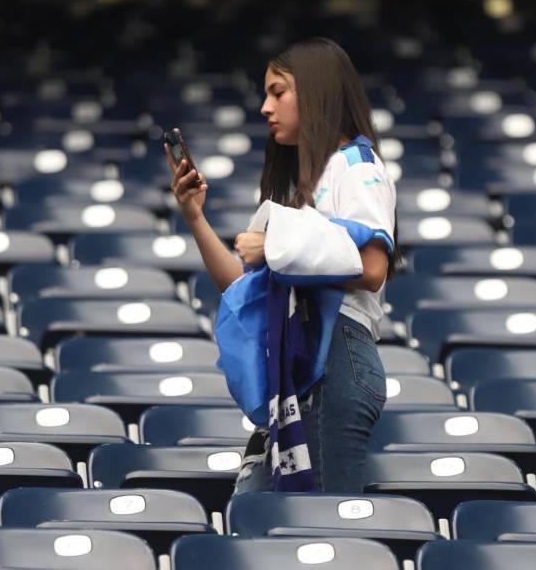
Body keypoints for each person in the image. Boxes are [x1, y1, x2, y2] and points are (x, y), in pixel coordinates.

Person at [167, 37, 397, 493]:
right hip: (298, 360)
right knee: (265, 517)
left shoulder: (356, 165)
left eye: (278, 91)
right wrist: (194, 216)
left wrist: (275, 247)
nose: (264, 107)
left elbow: (372, 269)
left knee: (323, 528)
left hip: (337, 356)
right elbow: (244, 289)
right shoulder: (302, 186)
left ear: (315, 92)